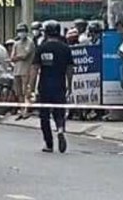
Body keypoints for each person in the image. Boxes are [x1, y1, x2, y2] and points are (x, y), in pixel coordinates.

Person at [28, 20, 74, 154]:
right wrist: (69, 85)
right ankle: (60, 129)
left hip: (44, 86)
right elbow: (70, 69)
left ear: (46, 33)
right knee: (59, 112)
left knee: (44, 116)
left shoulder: (42, 48)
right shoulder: (65, 48)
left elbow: (35, 69)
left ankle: (49, 144)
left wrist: (30, 87)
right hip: (60, 85)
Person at [11, 23, 35, 120]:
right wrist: (18, 57)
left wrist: (18, 57)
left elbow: (25, 56)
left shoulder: (30, 42)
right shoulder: (16, 43)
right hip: (17, 70)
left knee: (26, 92)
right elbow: (12, 57)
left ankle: (26, 110)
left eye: (23, 31)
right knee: (19, 93)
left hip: (26, 70)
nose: (21, 33)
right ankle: (21, 111)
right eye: (19, 31)